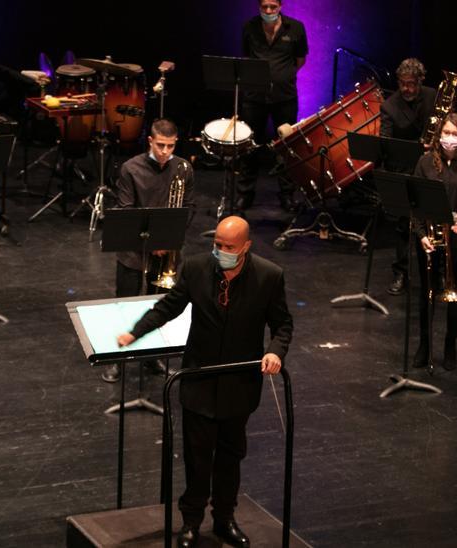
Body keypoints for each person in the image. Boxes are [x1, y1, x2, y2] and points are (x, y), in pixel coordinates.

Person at [117, 216, 293, 548]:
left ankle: (225, 519)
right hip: (199, 382)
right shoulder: (196, 268)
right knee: (198, 458)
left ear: (246, 247)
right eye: (217, 245)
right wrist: (135, 332)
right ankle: (191, 522)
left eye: (228, 248)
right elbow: (169, 307)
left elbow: (282, 325)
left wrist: (275, 352)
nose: (221, 252)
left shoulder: (269, 276)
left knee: (230, 456)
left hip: (239, 386)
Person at [102, 119, 197, 383]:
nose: (165, 151)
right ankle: (117, 359)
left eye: (170, 146)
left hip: (167, 251)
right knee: (125, 305)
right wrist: (151, 242)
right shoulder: (131, 169)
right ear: (150, 142)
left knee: (159, 306)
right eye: (160, 145)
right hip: (133, 251)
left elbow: (188, 208)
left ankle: (152, 356)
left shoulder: (184, 168)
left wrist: (167, 241)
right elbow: (126, 211)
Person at [413, 113, 457, 371]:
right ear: (439, 135)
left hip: (456, 240)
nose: (449, 139)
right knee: (427, 293)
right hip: (429, 240)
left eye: (455, 134)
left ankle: (450, 346)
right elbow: (416, 204)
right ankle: (424, 346)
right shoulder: (425, 163)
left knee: (455, 293)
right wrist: (421, 235)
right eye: (446, 133)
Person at [239, 0, 308, 212]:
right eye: (264, 7)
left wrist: (281, 77)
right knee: (248, 146)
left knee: (286, 147)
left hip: (284, 97)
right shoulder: (249, 27)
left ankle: (287, 195)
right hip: (254, 97)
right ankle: (245, 194)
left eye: (272, 7)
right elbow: (247, 57)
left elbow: (300, 60)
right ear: (259, 7)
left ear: (280, 6)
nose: (268, 11)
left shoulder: (295, 28)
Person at [380, 58, 438, 296]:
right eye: (403, 84)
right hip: (403, 170)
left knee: (435, 223)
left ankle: (438, 273)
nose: (407, 89)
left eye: (412, 84)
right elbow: (386, 143)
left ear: (420, 82)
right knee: (404, 226)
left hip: (432, 169)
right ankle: (401, 272)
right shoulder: (390, 106)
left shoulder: (434, 97)